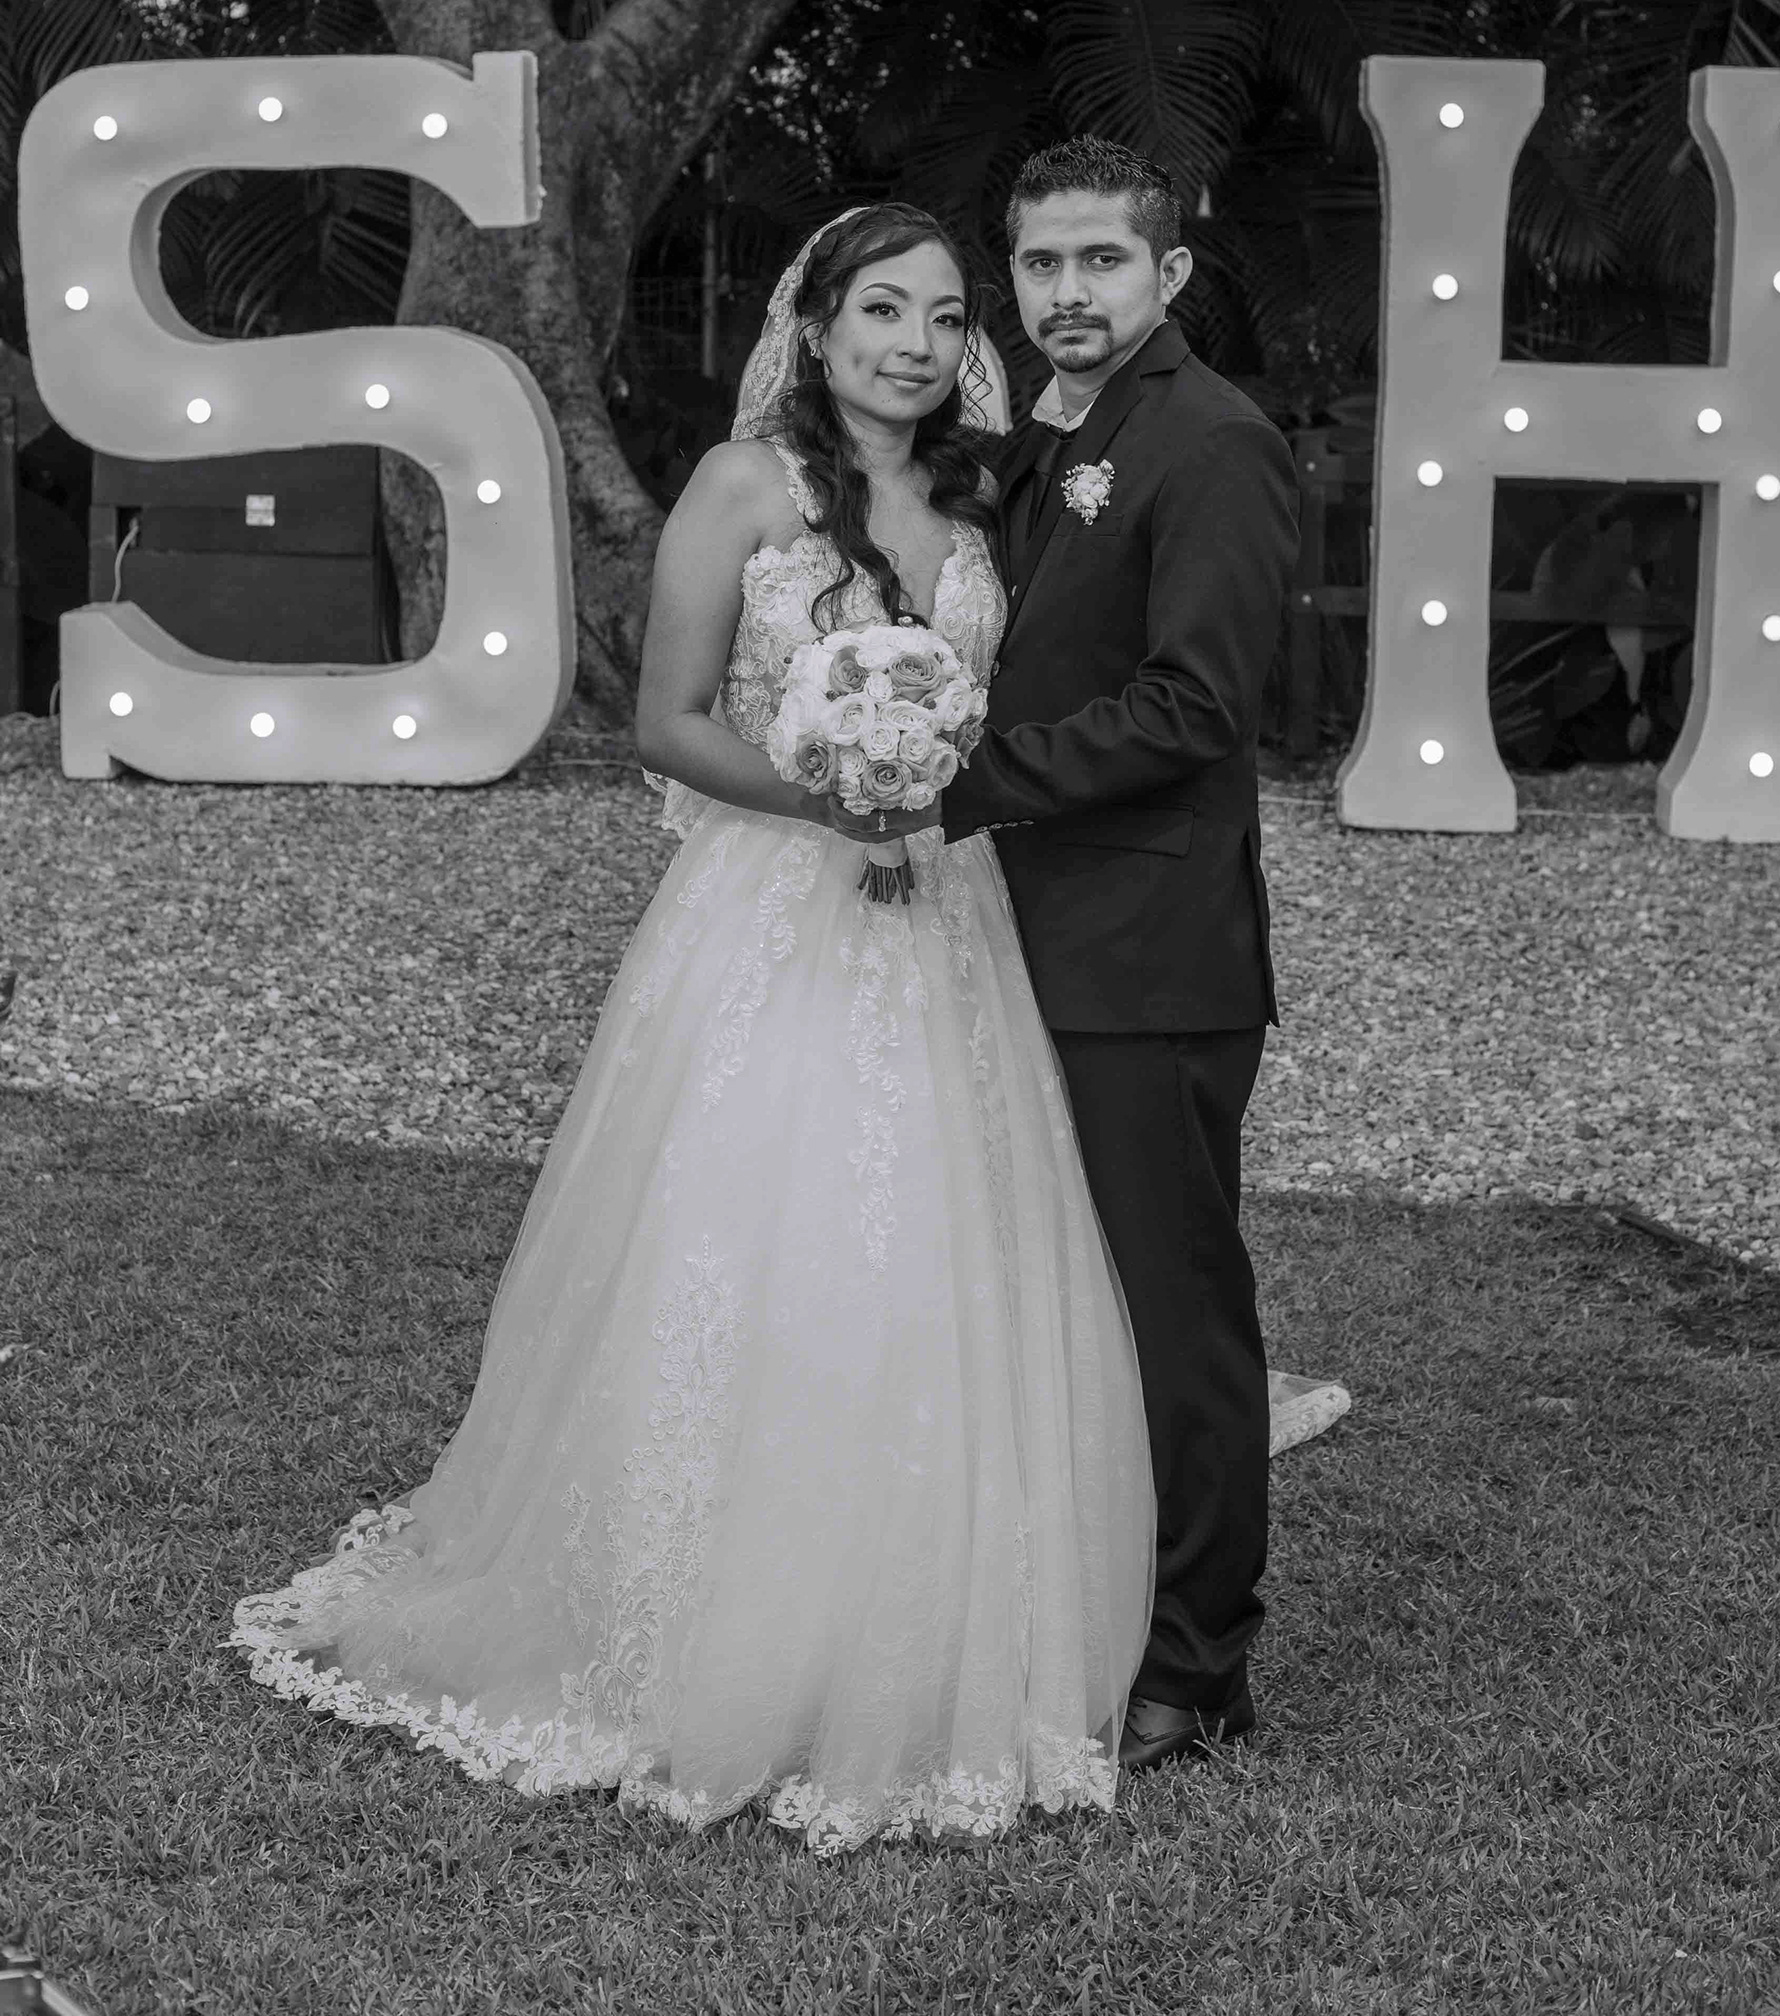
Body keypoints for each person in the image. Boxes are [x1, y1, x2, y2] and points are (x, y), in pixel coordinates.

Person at [224, 204, 1156, 1857]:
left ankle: (914, 1631)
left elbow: (997, 703)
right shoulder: (741, 487)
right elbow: (665, 721)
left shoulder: (976, 502)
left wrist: (925, 785)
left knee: (941, 1247)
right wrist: (830, 796)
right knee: (753, 1245)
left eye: (947, 318)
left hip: (948, 918)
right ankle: (699, 1632)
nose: (917, 345)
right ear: (819, 323)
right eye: (885, 310)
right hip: (774, 912)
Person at [940, 137, 1301, 1776]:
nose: (1068, 292)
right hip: (1008, 938)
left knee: (1173, 1313)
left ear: (1170, 271)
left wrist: (961, 782)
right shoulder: (1037, 440)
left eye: (1101, 261)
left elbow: (1197, 703)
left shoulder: (1211, 440)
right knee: (1045, 1299)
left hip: (1146, 955)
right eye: (1041, 263)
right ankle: (1071, 1608)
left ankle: (1199, 1663)